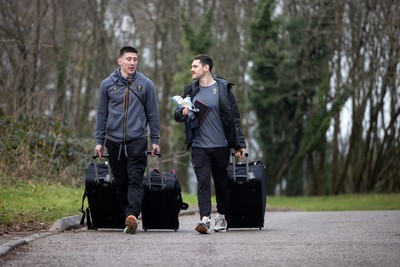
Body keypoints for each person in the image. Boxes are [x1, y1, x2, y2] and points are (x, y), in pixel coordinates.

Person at [174, 54, 246, 234]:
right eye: (192, 66)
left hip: (221, 145)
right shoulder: (191, 90)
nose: (192, 69)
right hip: (199, 145)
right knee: (203, 182)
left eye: (195, 66)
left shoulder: (223, 89)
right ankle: (204, 219)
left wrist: (239, 144)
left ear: (206, 68)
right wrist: (183, 111)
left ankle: (221, 217)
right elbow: (177, 115)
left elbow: (235, 118)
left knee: (221, 184)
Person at [95, 46, 160, 234]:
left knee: (135, 178)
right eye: (129, 59)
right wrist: (100, 141)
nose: (132, 63)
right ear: (120, 61)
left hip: (137, 140)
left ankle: (132, 214)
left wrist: (154, 139)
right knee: (121, 182)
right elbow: (102, 114)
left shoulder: (146, 84)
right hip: (113, 141)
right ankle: (128, 217)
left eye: (135, 60)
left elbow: (153, 114)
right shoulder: (107, 84)